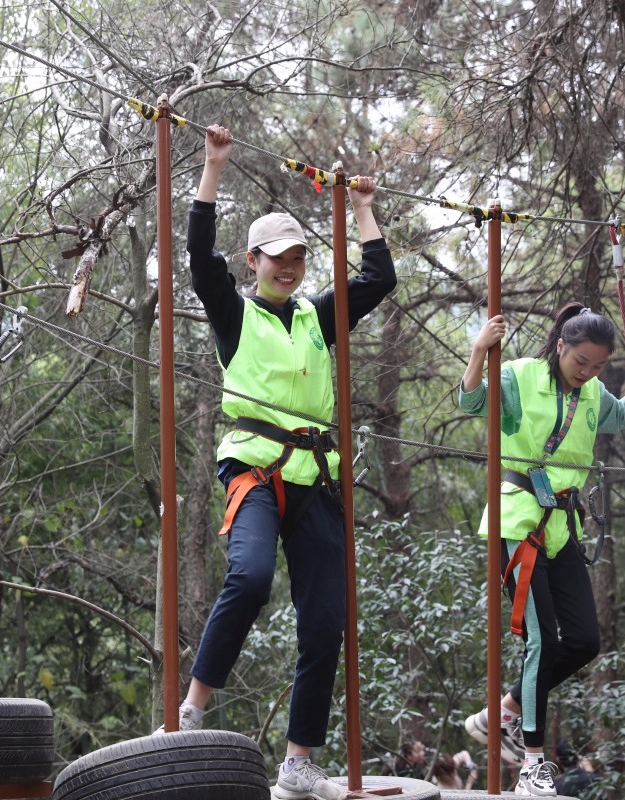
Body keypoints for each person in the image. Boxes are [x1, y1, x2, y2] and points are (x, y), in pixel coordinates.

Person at [157, 123, 396, 800]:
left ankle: (298, 761)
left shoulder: (319, 316)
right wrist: (212, 166)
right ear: (253, 260)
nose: (286, 268)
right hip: (256, 469)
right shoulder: (237, 315)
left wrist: (362, 210)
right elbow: (199, 259)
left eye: (295, 259)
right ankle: (193, 706)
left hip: (316, 478)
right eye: (275, 259)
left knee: (325, 619)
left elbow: (380, 275)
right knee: (252, 575)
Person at [459, 304, 625, 797]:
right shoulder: (518, 376)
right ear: (560, 346)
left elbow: (622, 415)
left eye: (598, 366)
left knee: (583, 641)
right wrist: (478, 351)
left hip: (563, 526)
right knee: (544, 640)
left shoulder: (594, 393)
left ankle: (505, 709)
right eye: (581, 361)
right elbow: (473, 403)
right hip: (519, 519)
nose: (588, 372)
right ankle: (532, 763)